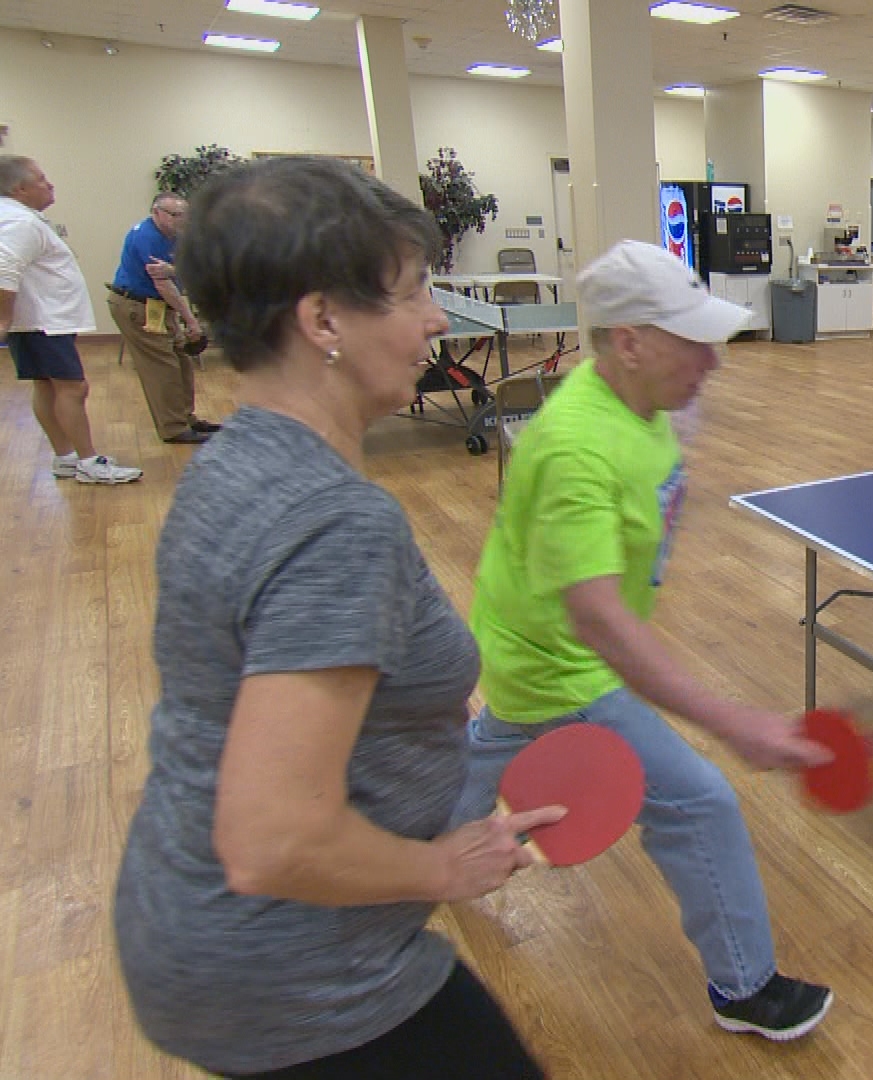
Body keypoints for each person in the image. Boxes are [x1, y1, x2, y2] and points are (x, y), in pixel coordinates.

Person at [113, 156, 560, 1080]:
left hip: (188, 926)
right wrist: (443, 869)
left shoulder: (230, 461)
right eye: (413, 292)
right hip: (293, 971)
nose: (438, 318)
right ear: (322, 320)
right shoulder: (336, 521)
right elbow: (273, 838)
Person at [453, 239, 836, 1043]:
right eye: (693, 340)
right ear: (628, 343)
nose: (714, 360)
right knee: (699, 802)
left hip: (536, 647)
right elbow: (597, 618)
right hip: (563, 666)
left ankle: (432, 844)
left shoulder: (643, 402)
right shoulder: (576, 447)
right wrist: (733, 721)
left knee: (492, 748)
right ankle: (745, 987)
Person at [0, 155, 142, 484]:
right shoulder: (19, 222)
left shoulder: (19, 217)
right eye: (41, 180)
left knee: (47, 386)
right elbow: (4, 268)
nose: (50, 185)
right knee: (73, 389)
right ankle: (89, 462)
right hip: (43, 322)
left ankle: (66, 458)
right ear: (19, 189)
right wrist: (3, 319)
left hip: (40, 321)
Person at [107, 191, 222, 444]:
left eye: (184, 215)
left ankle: (186, 418)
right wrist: (191, 321)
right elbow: (164, 285)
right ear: (156, 213)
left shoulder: (173, 235)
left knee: (181, 361)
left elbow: (192, 267)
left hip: (159, 307)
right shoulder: (148, 237)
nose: (181, 220)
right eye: (174, 215)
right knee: (163, 367)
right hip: (139, 307)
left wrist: (175, 270)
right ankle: (173, 428)